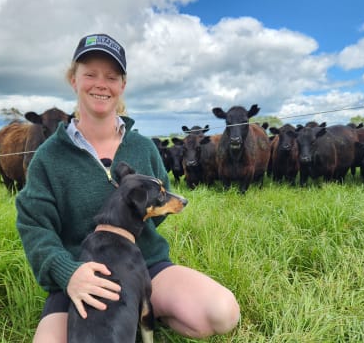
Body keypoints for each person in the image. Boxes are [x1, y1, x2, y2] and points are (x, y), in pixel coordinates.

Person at [16, 33, 240, 342]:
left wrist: (128, 235)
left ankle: (139, 310)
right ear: (73, 80)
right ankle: (129, 317)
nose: (101, 84)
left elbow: (159, 208)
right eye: (90, 74)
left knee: (221, 312)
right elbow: (34, 226)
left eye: (111, 76)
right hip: (84, 277)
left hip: (143, 267)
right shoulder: (49, 157)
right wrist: (68, 272)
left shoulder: (143, 148)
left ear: (122, 85)